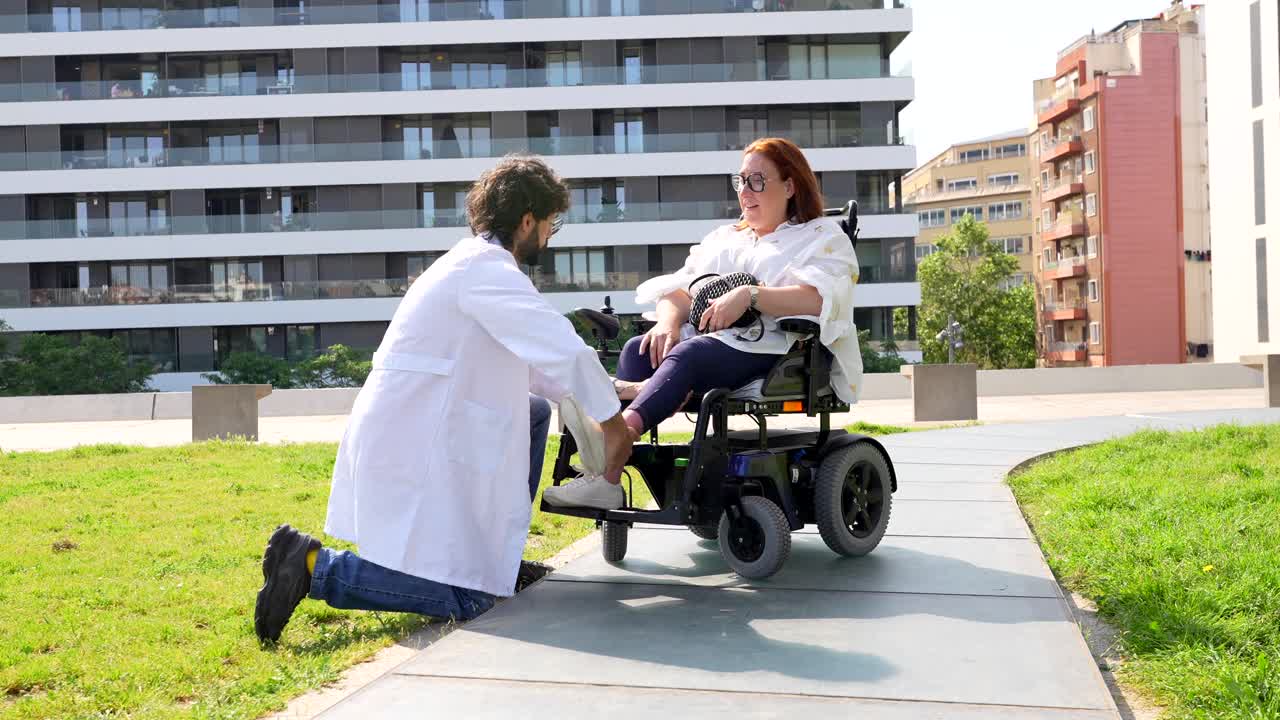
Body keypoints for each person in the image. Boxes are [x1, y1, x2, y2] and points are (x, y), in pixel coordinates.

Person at [254, 156, 634, 643]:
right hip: (418, 442)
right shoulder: (486, 271)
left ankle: (497, 560)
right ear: (527, 221)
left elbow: (537, 367)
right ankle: (311, 566)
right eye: (550, 223)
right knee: (471, 598)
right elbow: (560, 343)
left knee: (535, 412)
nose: (550, 234)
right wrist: (613, 424)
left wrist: (609, 391)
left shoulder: (472, 264)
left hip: (416, 429)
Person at [543, 137, 863, 511]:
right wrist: (666, 324)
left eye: (758, 180)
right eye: (741, 180)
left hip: (774, 347)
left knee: (691, 352)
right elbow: (678, 290)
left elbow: (822, 299)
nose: (746, 191)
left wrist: (751, 295)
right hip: (711, 342)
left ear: (790, 186)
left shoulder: (821, 236)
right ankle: (607, 479)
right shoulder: (725, 239)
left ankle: (614, 436)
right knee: (640, 347)